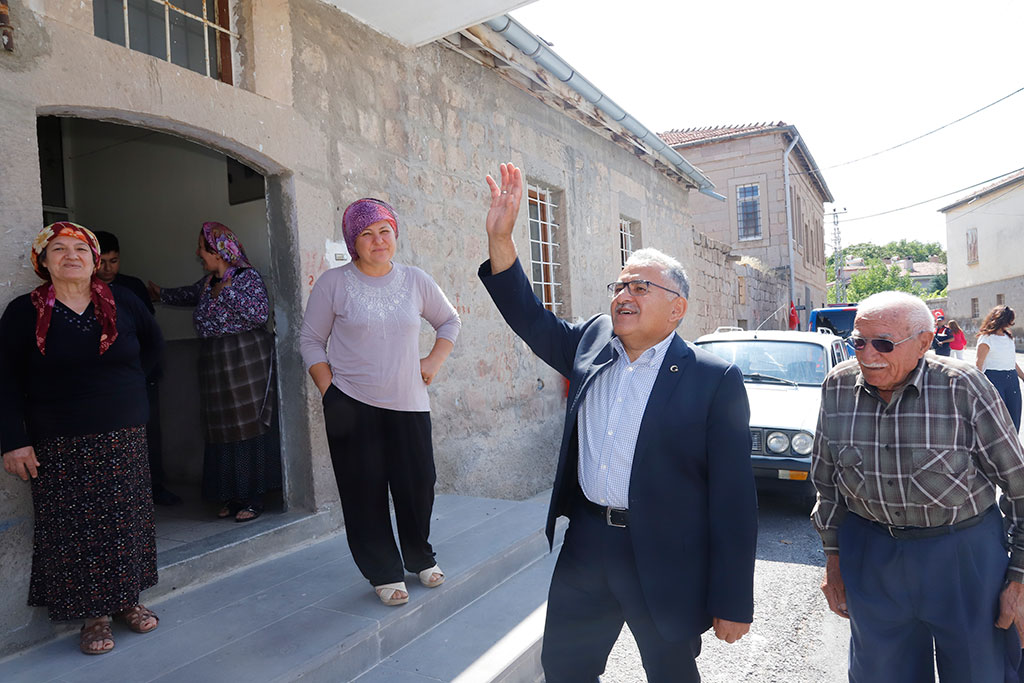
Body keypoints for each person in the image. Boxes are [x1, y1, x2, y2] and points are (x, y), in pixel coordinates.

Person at [478, 163, 757, 682]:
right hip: (587, 543)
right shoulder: (591, 343)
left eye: (641, 287)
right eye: (620, 284)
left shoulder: (713, 379)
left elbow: (735, 499)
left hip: (664, 552)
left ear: (677, 309)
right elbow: (529, 316)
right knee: (565, 668)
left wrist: (734, 598)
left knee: (670, 673)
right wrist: (501, 239)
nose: (624, 294)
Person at [812, 291, 1024, 682]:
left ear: (924, 342)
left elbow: (1019, 488)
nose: (867, 354)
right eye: (858, 341)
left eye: (883, 343)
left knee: (979, 672)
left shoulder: (964, 388)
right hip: (873, 554)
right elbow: (827, 486)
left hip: (962, 556)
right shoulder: (838, 387)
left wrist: (1019, 579)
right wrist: (834, 560)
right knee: (878, 675)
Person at [0, 222, 164, 655]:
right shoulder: (23, 312)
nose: (70, 256)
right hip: (59, 439)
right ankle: (94, 617)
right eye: (58, 249)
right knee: (76, 529)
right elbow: (5, 379)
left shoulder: (124, 301)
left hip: (123, 433)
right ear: (43, 261)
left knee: (127, 521)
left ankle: (128, 600)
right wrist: (13, 440)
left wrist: (129, 389)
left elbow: (154, 347)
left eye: (80, 249)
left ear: (94, 260)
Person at [299, 198, 460, 607]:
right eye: (367, 234)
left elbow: (449, 320)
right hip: (351, 406)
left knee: (418, 485)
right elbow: (311, 340)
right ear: (353, 242)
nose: (378, 240)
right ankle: (383, 570)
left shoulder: (415, 280)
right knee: (363, 491)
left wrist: (432, 362)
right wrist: (329, 390)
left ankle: (419, 556)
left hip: (409, 402)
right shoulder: (333, 284)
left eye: (384, 231)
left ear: (395, 233)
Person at [148, 222, 278, 522]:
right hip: (215, 362)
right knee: (221, 429)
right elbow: (188, 295)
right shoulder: (208, 282)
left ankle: (253, 498)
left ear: (219, 252)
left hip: (244, 360)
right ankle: (231, 496)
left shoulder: (246, 277)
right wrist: (160, 294)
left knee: (246, 426)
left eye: (202, 249)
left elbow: (259, 314)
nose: (198, 253)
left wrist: (228, 293)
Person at [94, 230, 181, 506]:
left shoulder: (132, 287)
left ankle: (154, 486)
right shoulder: (82, 289)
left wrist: (144, 370)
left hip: (141, 373)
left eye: (114, 261)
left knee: (148, 431)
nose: (108, 269)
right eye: (102, 262)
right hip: (102, 379)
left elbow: (150, 333)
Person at [976, 304, 1024, 433]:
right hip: (994, 379)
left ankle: (1014, 444)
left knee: (1015, 416)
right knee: (998, 418)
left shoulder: (1008, 337)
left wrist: (1023, 376)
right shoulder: (986, 338)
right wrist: (978, 384)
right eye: (1010, 319)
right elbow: (979, 363)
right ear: (1002, 319)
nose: (1011, 323)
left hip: (1012, 379)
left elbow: (1011, 361)